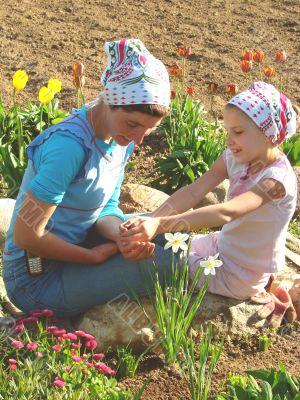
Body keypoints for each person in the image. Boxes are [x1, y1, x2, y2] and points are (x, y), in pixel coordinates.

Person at [2, 38, 173, 318]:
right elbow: (26, 235)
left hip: (79, 242)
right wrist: (91, 257)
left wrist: (121, 236)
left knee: (169, 235)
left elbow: (105, 207)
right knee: (169, 261)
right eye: (133, 125)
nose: (139, 139)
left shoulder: (122, 139)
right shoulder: (68, 148)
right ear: (109, 101)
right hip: (35, 276)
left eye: (148, 130)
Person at [120, 81, 298, 303]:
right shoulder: (234, 158)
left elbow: (228, 212)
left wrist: (159, 225)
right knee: (160, 242)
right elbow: (195, 191)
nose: (229, 141)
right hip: (222, 244)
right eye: (227, 131)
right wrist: (151, 219)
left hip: (240, 274)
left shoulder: (275, 181)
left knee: (159, 257)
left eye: (238, 132)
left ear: (268, 134)